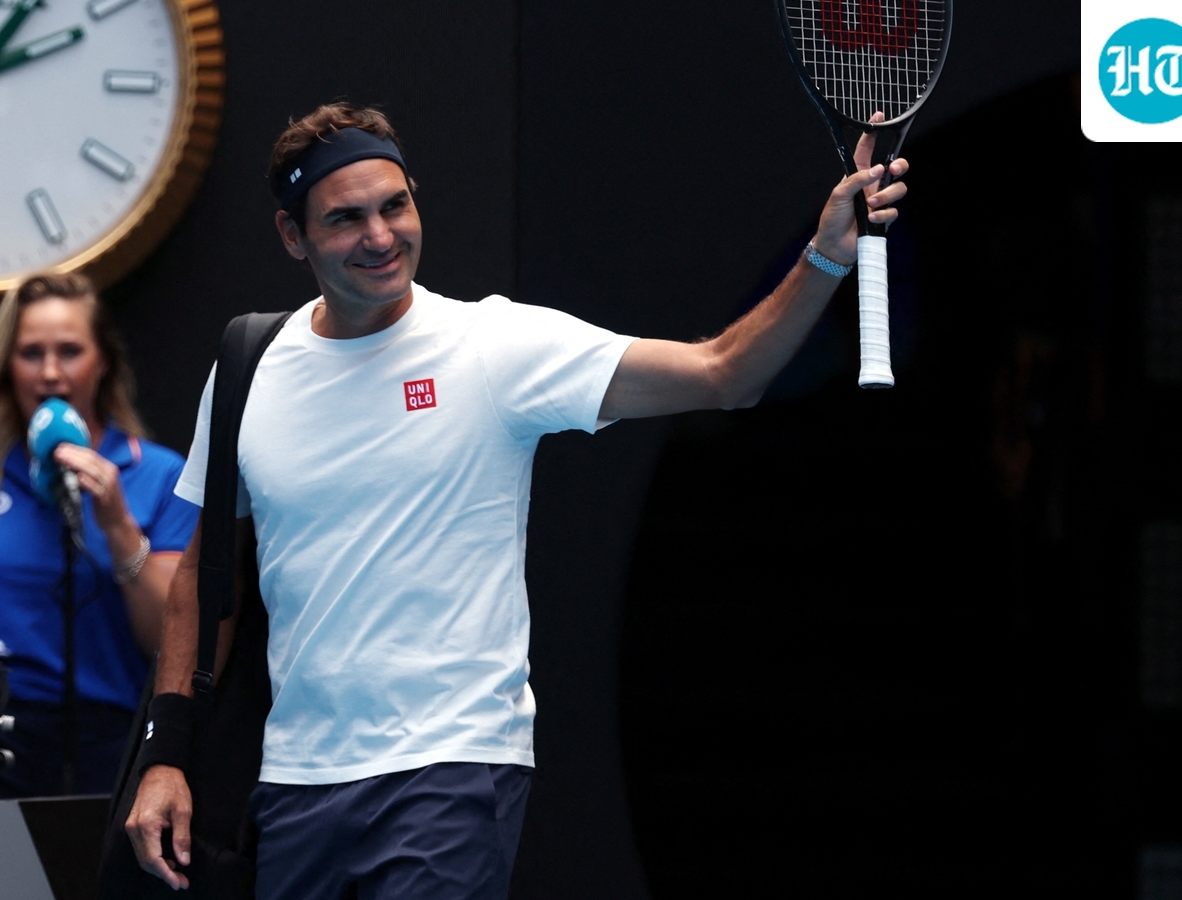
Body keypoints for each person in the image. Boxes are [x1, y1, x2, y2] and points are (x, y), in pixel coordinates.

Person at [126, 103, 909, 896]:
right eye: (345, 218)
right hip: (295, 781)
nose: (381, 236)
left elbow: (724, 373)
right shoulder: (248, 366)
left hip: (453, 770)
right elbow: (202, 578)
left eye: (395, 205)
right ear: (293, 237)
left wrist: (824, 256)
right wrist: (166, 754)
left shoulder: (494, 348)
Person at [0, 271, 198, 798]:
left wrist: (117, 525)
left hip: (105, 742)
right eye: (30, 353)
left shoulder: (158, 477)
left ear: (102, 361)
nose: (50, 373)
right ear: (5, 367)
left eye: (69, 351)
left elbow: (166, 639)